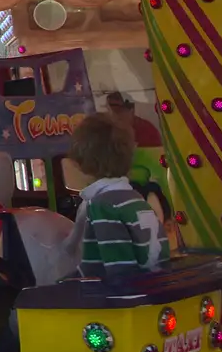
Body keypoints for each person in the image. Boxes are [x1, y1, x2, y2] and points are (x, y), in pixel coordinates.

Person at [66, 113, 168, 280]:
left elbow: (119, 269)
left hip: (127, 295)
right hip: (154, 282)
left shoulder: (103, 205)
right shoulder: (133, 197)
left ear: (82, 163)